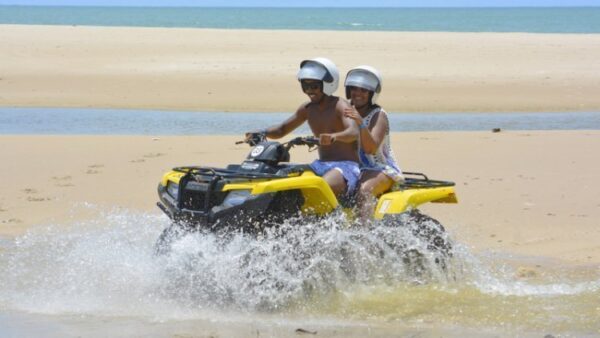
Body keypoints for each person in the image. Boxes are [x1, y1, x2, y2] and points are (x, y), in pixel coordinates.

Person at [246, 57, 359, 197]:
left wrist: (334, 137)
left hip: (345, 166)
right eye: (305, 86)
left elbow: (354, 132)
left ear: (328, 84)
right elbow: (281, 129)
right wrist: (262, 131)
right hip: (319, 164)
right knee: (285, 182)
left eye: (314, 86)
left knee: (322, 187)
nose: (309, 90)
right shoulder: (307, 108)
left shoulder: (340, 106)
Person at [342, 66, 403, 221]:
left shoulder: (379, 116)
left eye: (364, 90)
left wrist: (360, 123)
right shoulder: (343, 110)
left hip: (380, 169)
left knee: (364, 190)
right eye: (354, 89)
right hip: (353, 167)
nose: (358, 93)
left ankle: (366, 235)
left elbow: (370, 148)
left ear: (371, 94)